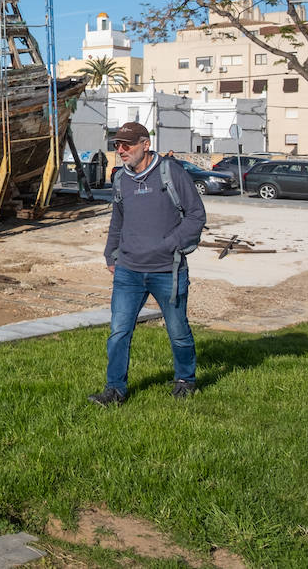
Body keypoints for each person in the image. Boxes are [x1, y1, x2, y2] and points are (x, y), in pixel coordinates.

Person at [89, 122, 205, 407]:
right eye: (117, 144)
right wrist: (110, 254)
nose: (121, 150)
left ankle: (185, 380)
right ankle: (115, 390)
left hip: (168, 270)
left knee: (177, 330)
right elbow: (118, 220)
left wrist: (169, 245)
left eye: (127, 144)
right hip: (128, 270)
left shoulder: (171, 172)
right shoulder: (121, 179)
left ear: (146, 144)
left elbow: (196, 215)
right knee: (119, 331)